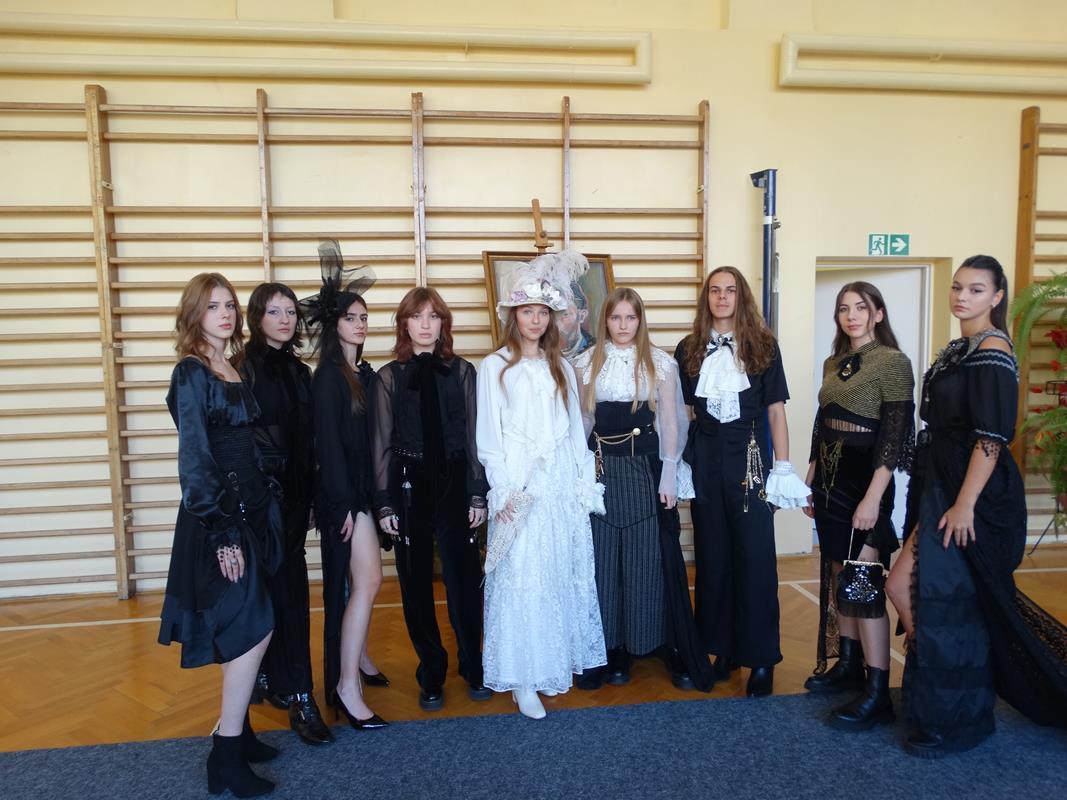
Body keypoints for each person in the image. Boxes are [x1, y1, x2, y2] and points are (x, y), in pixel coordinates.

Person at [885, 255, 1067, 758]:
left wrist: (964, 504)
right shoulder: (960, 347)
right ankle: (941, 684)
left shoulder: (992, 350)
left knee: (944, 601)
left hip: (973, 494)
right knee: (912, 590)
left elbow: (991, 437)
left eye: (976, 289)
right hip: (941, 483)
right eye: (958, 287)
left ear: (997, 296)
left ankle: (953, 717)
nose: (962, 296)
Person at [158, 272, 281, 798]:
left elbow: (247, 441)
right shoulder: (190, 372)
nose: (225, 314)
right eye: (213, 307)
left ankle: (240, 733)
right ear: (194, 315)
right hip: (219, 520)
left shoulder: (230, 364)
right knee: (254, 626)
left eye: (229, 305)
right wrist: (222, 531)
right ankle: (224, 755)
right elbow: (195, 458)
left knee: (246, 624)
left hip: (250, 509)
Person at [477, 250, 607, 719]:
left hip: (557, 486)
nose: (534, 319)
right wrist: (502, 488)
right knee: (521, 578)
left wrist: (581, 482)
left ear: (552, 318)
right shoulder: (494, 366)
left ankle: (548, 663)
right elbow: (489, 437)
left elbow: (574, 432)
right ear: (513, 316)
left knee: (552, 575)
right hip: (520, 484)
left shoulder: (561, 367)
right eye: (526, 311)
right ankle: (522, 677)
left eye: (542, 312)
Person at [674, 266, 809, 697]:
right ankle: (721, 649)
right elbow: (684, 414)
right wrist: (678, 463)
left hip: (750, 458)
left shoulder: (764, 346)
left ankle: (761, 658)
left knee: (754, 558)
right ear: (706, 298)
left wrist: (782, 467)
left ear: (741, 297)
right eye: (715, 290)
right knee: (713, 556)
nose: (722, 297)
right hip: (705, 457)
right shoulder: (688, 348)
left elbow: (776, 412)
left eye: (730, 290)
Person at [573, 287, 715, 691]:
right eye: (615, 318)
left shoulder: (661, 363)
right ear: (605, 321)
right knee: (604, 561)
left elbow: (671, 422)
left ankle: (647, 642)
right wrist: (577, 474)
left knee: (645, 559)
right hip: (601, 470)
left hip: (645, 469)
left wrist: (669, 472)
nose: (623, 325)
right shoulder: (585, 363)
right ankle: (610, 648)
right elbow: (583, 422)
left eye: (630, 318)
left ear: (640, 320)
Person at [802, 282, 914, 730]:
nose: (851, 316)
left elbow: (895, 435)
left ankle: (878, 691)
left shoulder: (893, 362)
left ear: (878, 314)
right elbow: (822, 422)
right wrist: (810, 476)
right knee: (839, 574)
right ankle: (849, 666)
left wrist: (873, 497)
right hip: (829, 484)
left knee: (863, 584)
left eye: (861, 308)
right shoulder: (833, 362)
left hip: (865, 483)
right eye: (844, 309)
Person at [372, 287, 491, 711]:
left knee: (465, 580)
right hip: (409, 485)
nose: (425, 324)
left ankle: (473, 665)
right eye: (416, 316)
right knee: (415, 582)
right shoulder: (388, 376)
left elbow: (476, 438)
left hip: (456, 482)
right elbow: (382, 444)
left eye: (433, 316)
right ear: (404, 324)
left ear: (443, 323)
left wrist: (478, 493)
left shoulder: (463, 372)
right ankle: (431, 671)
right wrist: (384, 503)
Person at [235, 282, 333, 746]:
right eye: (274, 311)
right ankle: (266, 685)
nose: (285, 319)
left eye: (291, 311)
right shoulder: (240, 368)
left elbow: (308, 442)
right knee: (260, 598)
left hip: (293, 503)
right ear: (257, 317)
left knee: (293, 597)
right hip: (257, 506)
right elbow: (236, 444)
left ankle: (300, 696)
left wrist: (310, 497)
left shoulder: (300, 371)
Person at [304, 241, 387, 730]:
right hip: (346, 499)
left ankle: (359, 659)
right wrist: (346, 508)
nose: (360, 324)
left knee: (365, 582)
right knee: (369, 581)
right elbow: (329, 448)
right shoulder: (329, 378)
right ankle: (345, 685)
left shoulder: (360, 373)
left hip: (363, 495)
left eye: (364, 318)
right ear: (334, 324)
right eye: (351, 317)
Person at [560, 280, 596, 360]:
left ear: (581, 316)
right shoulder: (541, 352)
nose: (555, 322)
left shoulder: (595, 351)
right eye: (552, 315)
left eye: (565, 314)